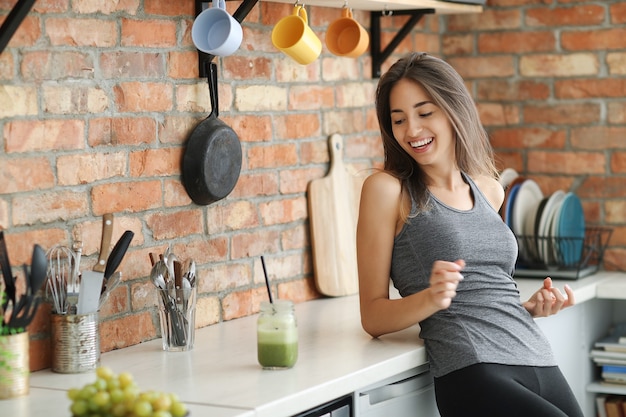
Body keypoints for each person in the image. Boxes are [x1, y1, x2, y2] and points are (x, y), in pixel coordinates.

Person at [356, 52, 584, 417]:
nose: (412, 130)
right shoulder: (387, 190)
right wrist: (430, 299)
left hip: (536, 355)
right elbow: (373, 315)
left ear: (453, 109)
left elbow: (484, 287)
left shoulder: (489, 189)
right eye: (399, 120)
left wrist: (528, 306)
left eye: (424, 113)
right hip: (473, 368)